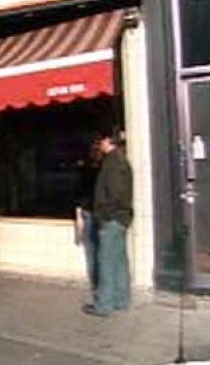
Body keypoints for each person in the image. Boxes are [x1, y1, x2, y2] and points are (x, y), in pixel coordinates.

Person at [83, 130, 133, 318]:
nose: (99, 145)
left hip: (112, 219)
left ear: (107, 141)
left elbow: (113, 193)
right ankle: (121, 299)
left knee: (105, 260)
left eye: (100, 141)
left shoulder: (112, 162)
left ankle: (103, 304)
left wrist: (104, 215)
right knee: (119, 260)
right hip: (121, 218)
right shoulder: (121, 160)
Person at [74, 139, 102, 295]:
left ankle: (96, 285)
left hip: (91, 212)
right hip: (94, 212)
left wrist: (78, 220)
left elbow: (79, 196)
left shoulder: (86, 170)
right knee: (95, 250)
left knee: (92, 250)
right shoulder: (101, 169)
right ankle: (98, 284)